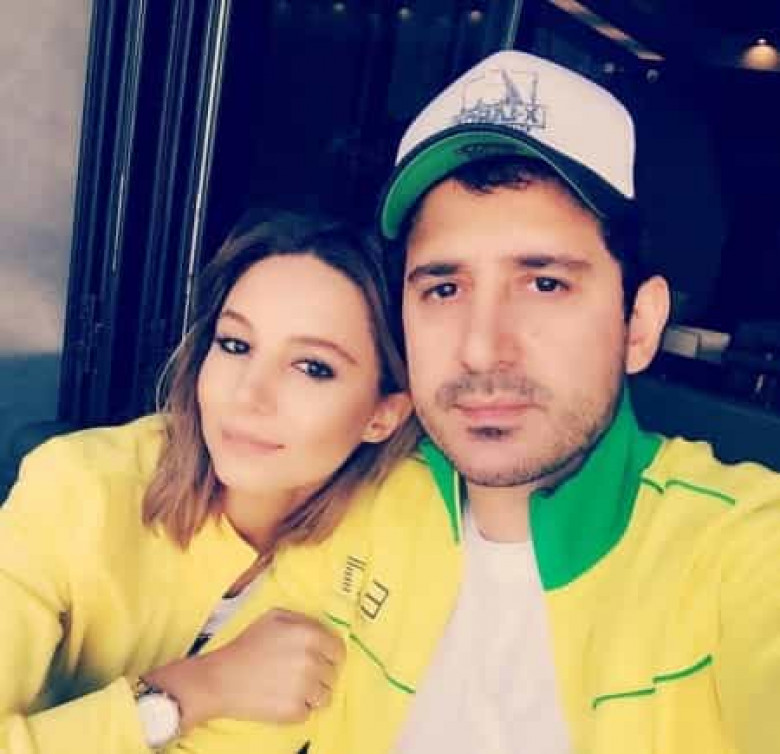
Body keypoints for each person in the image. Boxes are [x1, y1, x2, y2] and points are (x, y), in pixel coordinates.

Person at [295, 50, 780, 754]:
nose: (481, 348)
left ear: (639, 325)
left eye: (545, 284)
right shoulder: (359, 506)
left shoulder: (738, 549)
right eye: (444, 289)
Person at [0, 209, 431, 753]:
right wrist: (197, 689)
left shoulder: (386, 538)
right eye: (235, 345)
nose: (248, 395)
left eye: (312, 367)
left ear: (384, 416)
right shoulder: (75, 488)